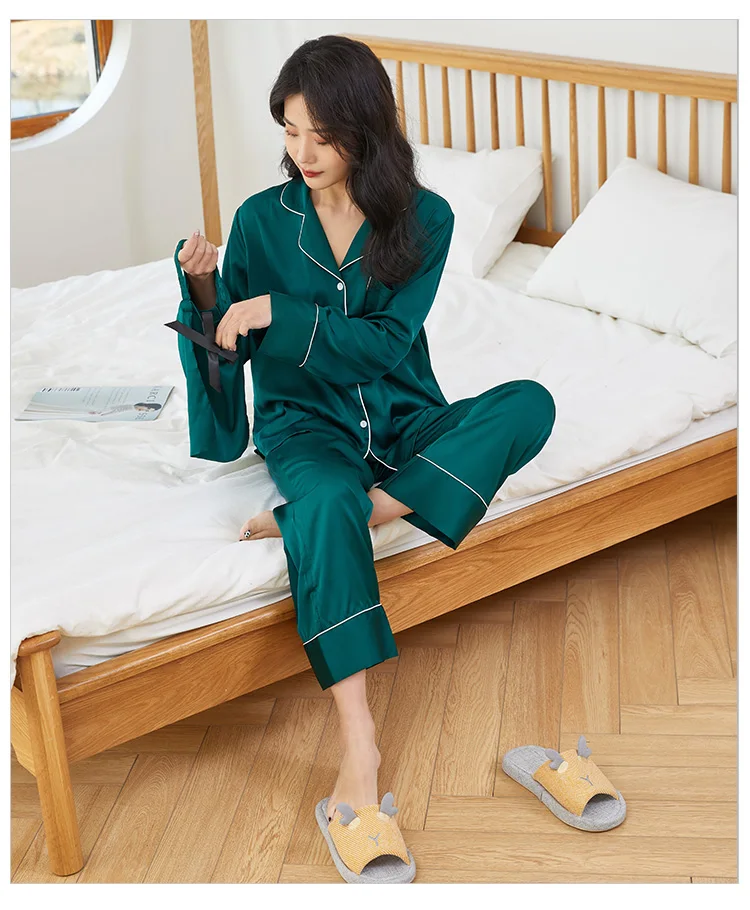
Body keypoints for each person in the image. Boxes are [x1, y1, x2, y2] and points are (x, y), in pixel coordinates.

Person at [170, 35, 556, 834]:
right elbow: (227, 345)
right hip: (305, 424)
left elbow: (384, 344)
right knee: (323, 495)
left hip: (405, 413)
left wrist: (282, 312)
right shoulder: (260, 220)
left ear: (364, 128)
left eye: (322, 135)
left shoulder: (426, 218)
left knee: (530, 403)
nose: (302, 153)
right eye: (289, 131)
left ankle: (366, 507)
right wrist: (206, 287)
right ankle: (359, 741)